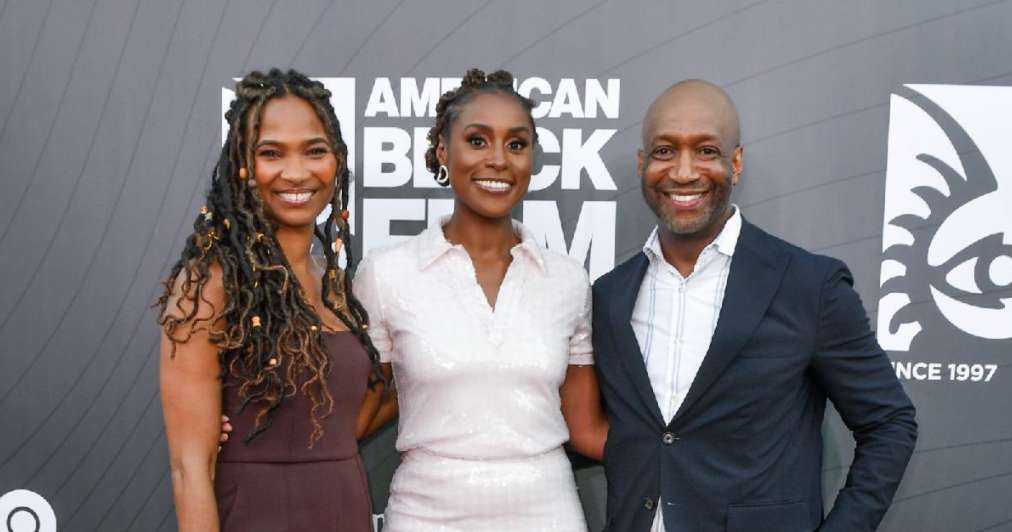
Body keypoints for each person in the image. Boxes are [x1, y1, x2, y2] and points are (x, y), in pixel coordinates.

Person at [592, 79, 917, 532]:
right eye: (664, 151)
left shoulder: (808, 285)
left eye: (706, 151)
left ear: (736, 162)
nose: (683, 172)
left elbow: (889, 422)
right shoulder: (610, 295)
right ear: (642, 163)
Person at [352, 68, 608, 531]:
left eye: (516, 144)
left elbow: (586, 429)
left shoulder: (568, 281)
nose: (498, 160)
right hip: (425, 516)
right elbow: (359, 415)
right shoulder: (387, 274)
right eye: (477, 141)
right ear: (442, 151)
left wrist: (704, 445)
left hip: (547, 515)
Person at [158, 68, 389, 532]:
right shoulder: (209, 285)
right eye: (271, 153)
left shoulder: (339, 289)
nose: (297, 172)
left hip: (344, 510)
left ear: (337, 160)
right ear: (242, 164)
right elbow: (189, 469)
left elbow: (346, 417)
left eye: (315, 151)